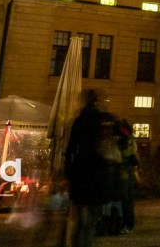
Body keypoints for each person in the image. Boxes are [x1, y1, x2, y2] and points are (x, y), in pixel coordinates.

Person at [65, 90, 107, 247]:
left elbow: (70, 148)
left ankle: (79, 242)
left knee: (82, 219)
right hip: (96, 174)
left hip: (81, 172)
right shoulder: (101, 120)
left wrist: (69, 172)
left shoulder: (79, 121)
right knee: (89, 221)